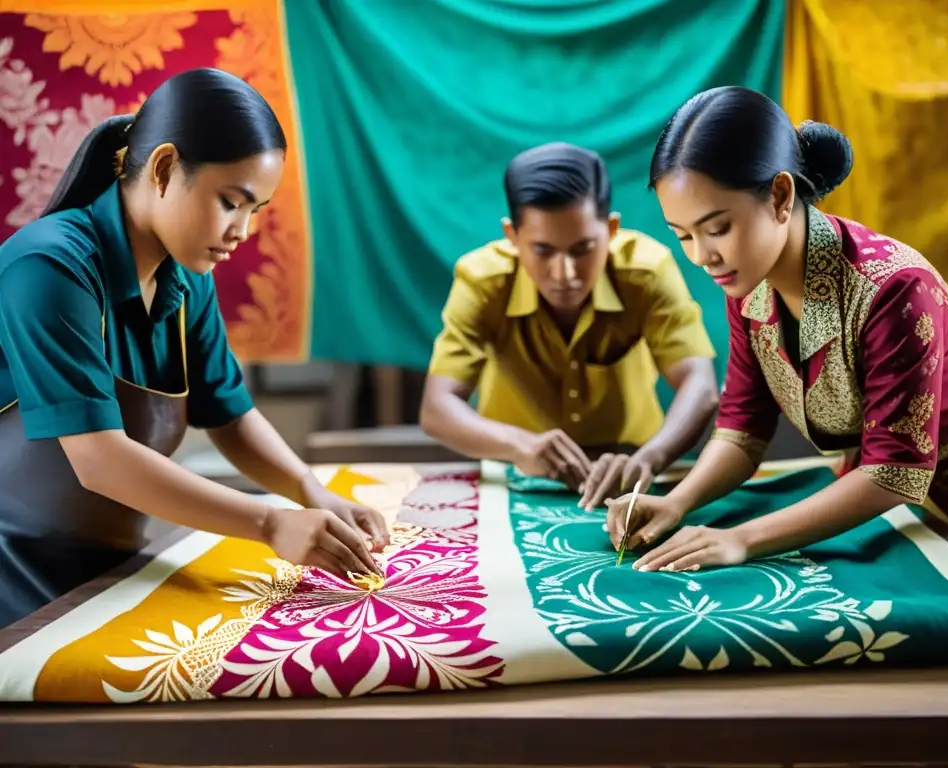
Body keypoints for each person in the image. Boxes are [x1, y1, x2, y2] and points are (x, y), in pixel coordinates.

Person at [0, 68, 388, 629]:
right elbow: (99, 460)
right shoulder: (49, 267)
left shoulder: (187, 278)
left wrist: (311, 491)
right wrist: (271, 524)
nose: (242, 231)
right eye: (231, 202)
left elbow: (228, 414)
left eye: (255, 211)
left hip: (112, 564)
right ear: (162, 168)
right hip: (15, 574)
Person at [606, 86, 948, 581]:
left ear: (781, 196)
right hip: (886, 464)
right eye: (684, 236)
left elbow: (894, 473)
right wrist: (677, 502)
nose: (701, 256)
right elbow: (742, 430)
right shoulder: (747, 281)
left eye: (717, 228)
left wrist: (739, 539)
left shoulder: (893, 289)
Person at [420, 142, 719, 510]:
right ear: (512, 236)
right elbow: (437, 407)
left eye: (582, 249)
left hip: (629, 476)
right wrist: (519, 445)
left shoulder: (647, 271)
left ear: (611, 229)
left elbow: (700, 384)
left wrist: (650, 458)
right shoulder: (481, 280)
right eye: (543, 250)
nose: (565, 274)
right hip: (515, 477)